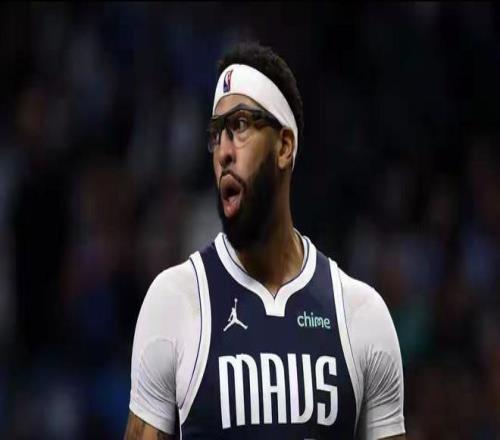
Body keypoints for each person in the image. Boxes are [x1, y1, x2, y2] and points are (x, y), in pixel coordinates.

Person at [124, 42, 406, 440]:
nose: (223, 151)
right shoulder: (174, 301)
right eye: (216, 134)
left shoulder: (361, 315)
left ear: (284, 147)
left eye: (240, 125)